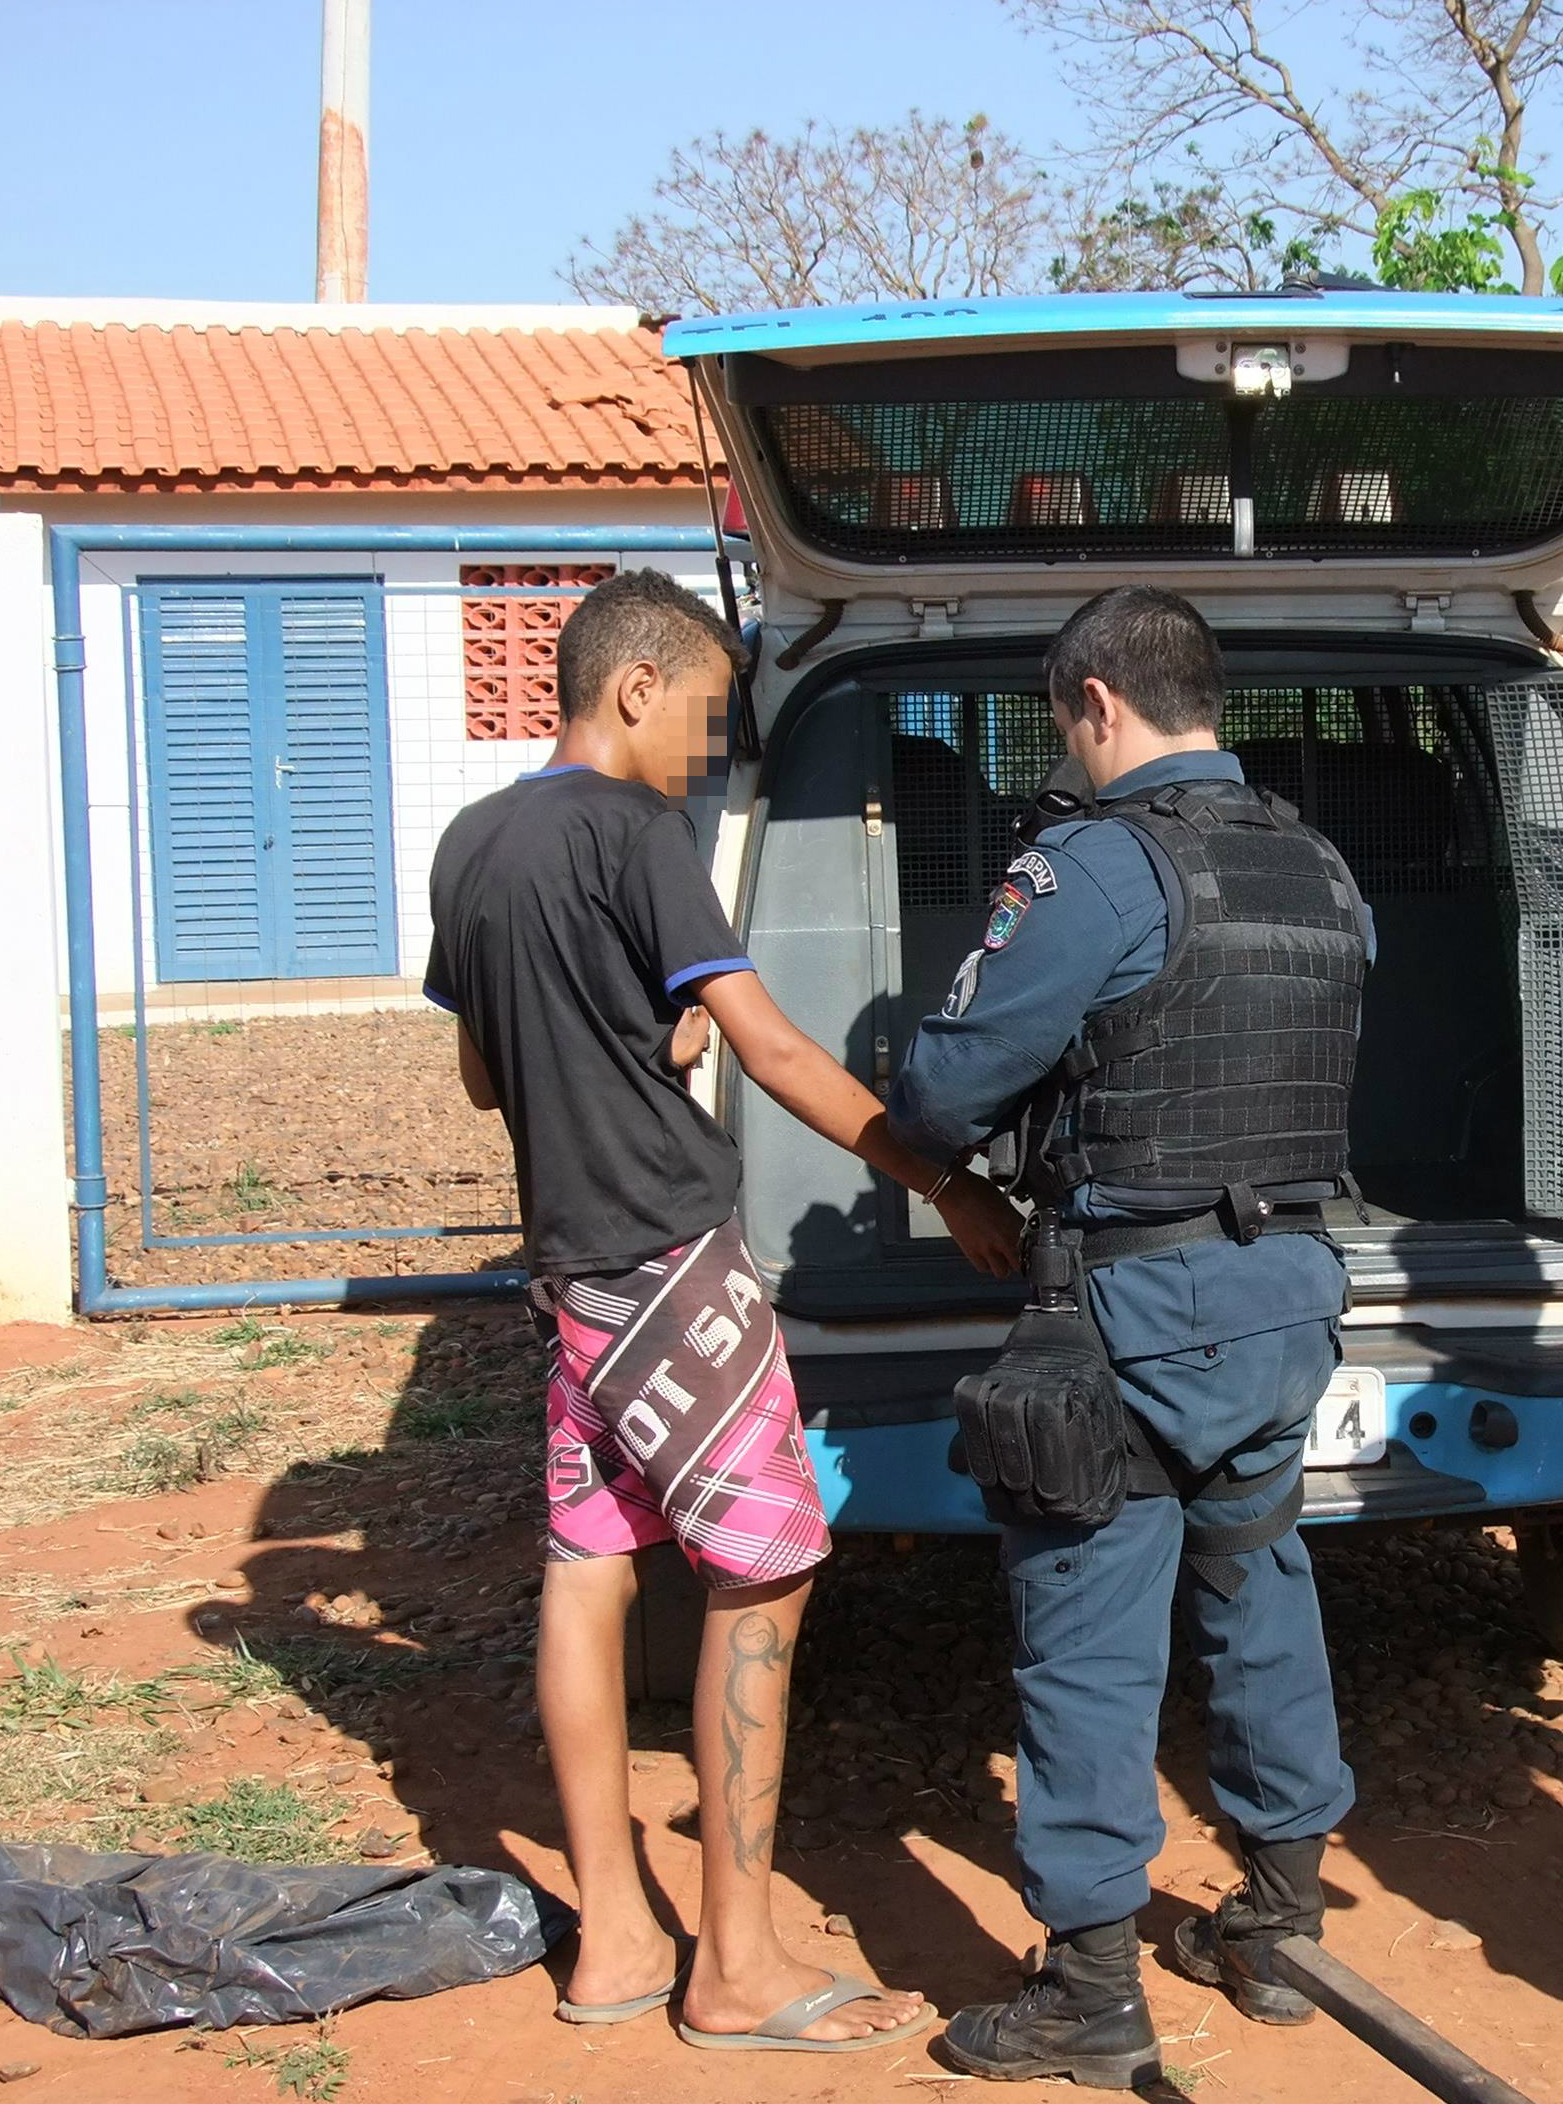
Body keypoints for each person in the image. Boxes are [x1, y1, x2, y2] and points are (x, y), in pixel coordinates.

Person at [425, 568, 1021, 2053]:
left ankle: (619, 1941)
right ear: (634, 688)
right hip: (674, 1262)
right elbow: (775, 1054)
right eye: (702, 718)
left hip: (569, 1264)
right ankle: (736, 1966)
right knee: (764, 1571)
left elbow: (490, 1075)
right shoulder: (636, 834)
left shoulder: (471, 843)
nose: (706, 754)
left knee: (589, 1566)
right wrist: (941, 1182)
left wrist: (638, 1033)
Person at [886, 586, 1369, 2089]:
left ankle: (1088, 1991)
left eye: (1059, 721)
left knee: (1090, 1641)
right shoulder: (1321, 864)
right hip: (1288, 1299)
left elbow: (941, 1095)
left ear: (1096, 704)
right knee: (1262, 1587)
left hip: (1134, 1315)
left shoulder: (1092, 871)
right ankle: (1281, 1923)